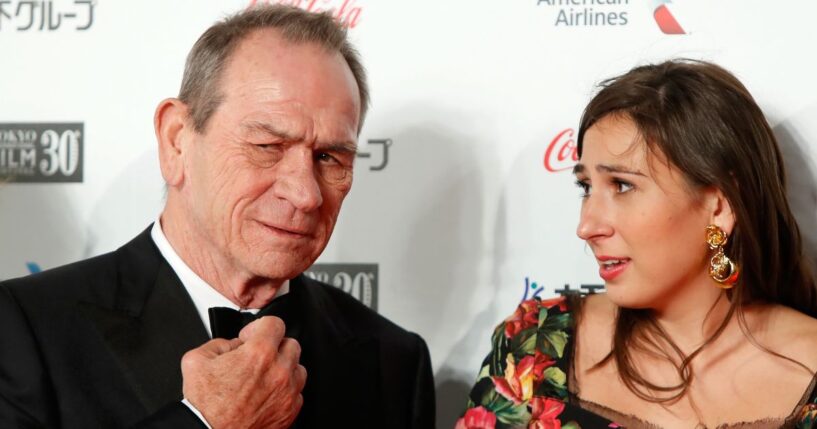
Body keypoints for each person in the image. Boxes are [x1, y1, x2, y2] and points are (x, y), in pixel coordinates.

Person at [0, 5, 435, 429]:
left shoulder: (393, 361)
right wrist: (206, 422)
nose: (305, 194)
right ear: (177, 142)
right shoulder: (25, 331)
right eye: (268, 147)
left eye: (328, 157)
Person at [458, 59, 817, 428]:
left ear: (719, 206)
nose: (586, 227)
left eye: (622, 185)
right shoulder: (534, 346)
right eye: (586, 187)